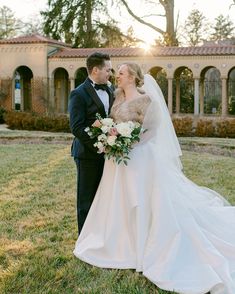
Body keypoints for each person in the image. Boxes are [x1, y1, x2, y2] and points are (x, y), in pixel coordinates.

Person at [73, 62, 235, 294]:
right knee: (117, 201)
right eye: (115, 72)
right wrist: (113, 139)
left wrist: (130, 142)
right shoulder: (116, 96)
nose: (116, 76)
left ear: (132, 77)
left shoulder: (146, 100)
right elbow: (112, 123)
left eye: (120, 73)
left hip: (139, 158)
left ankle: (143, 245)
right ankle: (119, 243)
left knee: (141, 200)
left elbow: (154, 130)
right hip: (116, 162)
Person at [69, 52, 114, 234]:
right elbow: (77, 127)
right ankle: (84, 240)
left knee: (103, 198)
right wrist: (99, 145)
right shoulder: (78, 94)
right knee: (86, 199)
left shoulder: (111, 90)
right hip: (87, 154)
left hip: (109, 154)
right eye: (107, 69)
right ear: (95, 70)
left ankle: (100, 236)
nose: (110, 73)